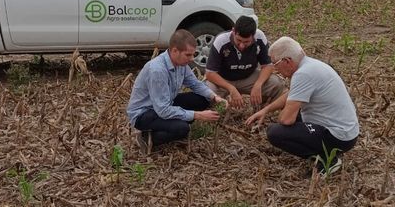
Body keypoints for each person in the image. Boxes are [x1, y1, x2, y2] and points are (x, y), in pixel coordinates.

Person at [245, 36, 359, 177]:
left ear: (287, 61)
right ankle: (325, 150)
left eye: (275, 64)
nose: (275, 70)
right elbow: (292, 94)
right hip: (347, 131)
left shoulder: (303, 74)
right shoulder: (310, 65)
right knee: (294, 110)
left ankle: (328, 159)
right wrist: (266, 110)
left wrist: (283, 113)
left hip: (338, 136)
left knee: (275, 133)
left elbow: (286, 120)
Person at [127, 29, 226, 154]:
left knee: (201, 99)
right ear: (174, 51)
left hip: (165, 104)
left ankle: (171, 123)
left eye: (193, 55)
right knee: (182, 129)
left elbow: (195, 83)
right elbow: (163, 110)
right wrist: (198, 115)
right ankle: (147, 138)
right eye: (188, 55)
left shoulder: (181, 64)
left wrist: (215, 97)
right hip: (145, 113)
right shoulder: (157, 70)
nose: (191, 59)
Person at [204, 16, 285, 110]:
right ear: (233, 31)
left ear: (254, 35)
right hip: (223, 79)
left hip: (248, 77)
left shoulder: (260, 37)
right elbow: (210, 73)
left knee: (276, 83)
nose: (242, 45)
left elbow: (268, 66)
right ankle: (214, 112)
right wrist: (231, 89)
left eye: (247, 42)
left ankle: (263, 109)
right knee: (205, 92)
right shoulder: (221, 40)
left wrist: (258, 85)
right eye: (238, 40)